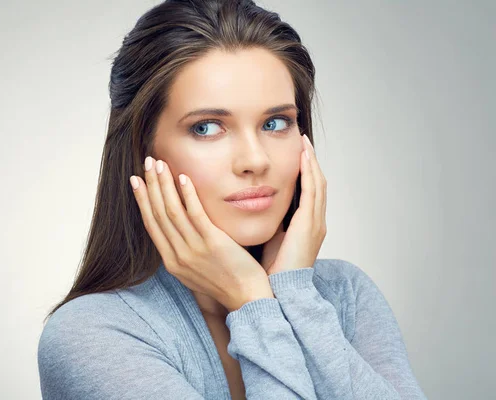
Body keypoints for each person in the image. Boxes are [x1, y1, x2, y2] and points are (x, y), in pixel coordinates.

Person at [37, 0, 427, 398]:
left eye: (275, 124)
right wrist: (253, 302)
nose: (255, 160)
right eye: (207, 128)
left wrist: (294, 295)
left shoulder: (344, 294)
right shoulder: (91, 334)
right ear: (143, 151)